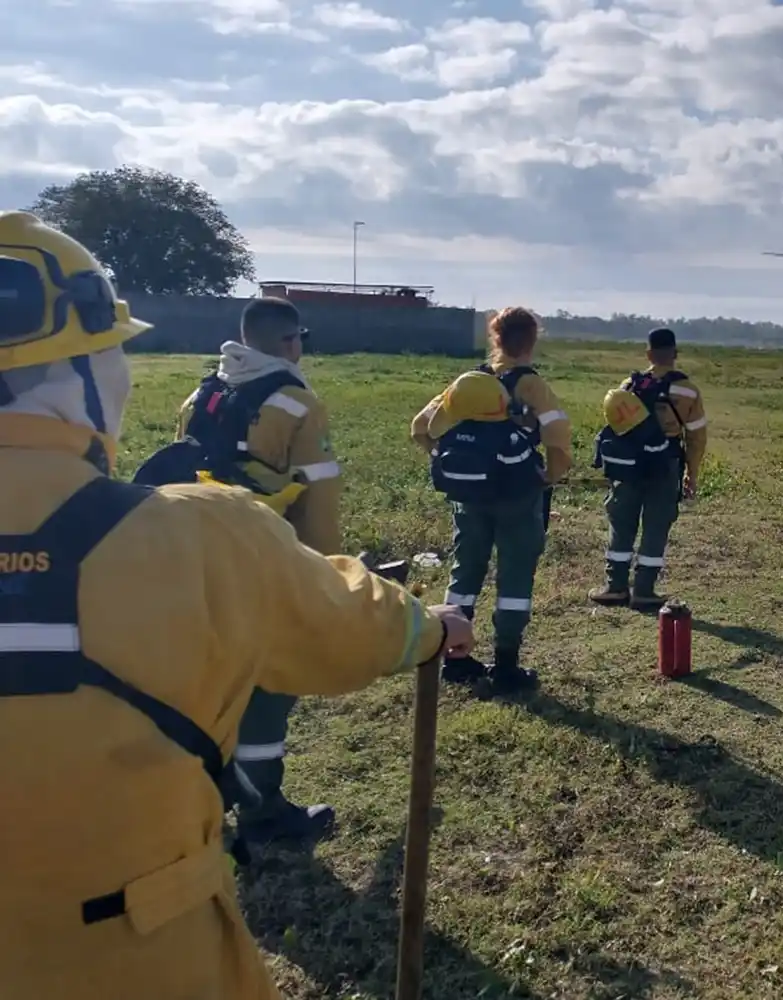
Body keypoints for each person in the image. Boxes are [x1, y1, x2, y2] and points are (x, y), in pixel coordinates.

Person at [0, 210, 474, 998]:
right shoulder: (210, 538)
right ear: (87, 379)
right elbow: (350, 621)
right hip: (142, 958)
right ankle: (266, 803)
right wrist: (429, 628)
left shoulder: (211, 389)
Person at [171, 296, 347, 845]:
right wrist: (325, 571)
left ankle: (205, 799)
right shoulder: (296, 402)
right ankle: (263, 808)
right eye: (301, 339)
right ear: (289, 342)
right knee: (268, 685)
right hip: (264, 559)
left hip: (199, 557)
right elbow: (318, 493)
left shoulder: (201, 394)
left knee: (212, 679)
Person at [411, 306, 572, 694]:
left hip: (469, 496)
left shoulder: (472, 382)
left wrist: (445, 459)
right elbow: (558, 437)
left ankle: (454, 657)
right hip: (517, 495)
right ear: (532, 340)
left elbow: (420, 427)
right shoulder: (531, 386)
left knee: (465, 572)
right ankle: (506, 664)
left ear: (494, 338)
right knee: (515, 576)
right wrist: (547, 476)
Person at [588, 327, 708, 609]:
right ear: (675, 354)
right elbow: (696, 437)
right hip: (664, 465)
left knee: (621, 523)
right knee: (656, 526)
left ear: (648, 354)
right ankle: (643, 591)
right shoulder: (687, 390)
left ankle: (615, 587)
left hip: (627, 466)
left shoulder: (629, 384)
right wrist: (692, 472)